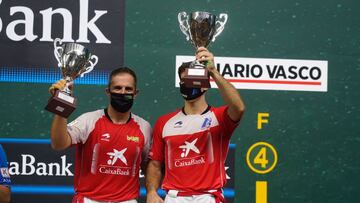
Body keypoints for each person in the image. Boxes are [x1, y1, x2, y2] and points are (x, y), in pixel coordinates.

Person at [146, 47, 245, 203]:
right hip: (174, 197)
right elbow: (155, 163)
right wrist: (151, 191)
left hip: (208, 197)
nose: (188, 84)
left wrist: (213, 71)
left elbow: (239, 107)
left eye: (193, 79)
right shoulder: (164, 122)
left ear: (205, 85)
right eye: (184, 81)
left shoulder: (219, 117)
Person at [49, 67, 152, 203]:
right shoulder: (89, 120)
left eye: (128, 89)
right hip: (89, 199)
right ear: (108, 92)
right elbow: (58, 144)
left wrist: (152, 191)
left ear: (135, 93)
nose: (123, 92)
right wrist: (61, 106)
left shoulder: (144, 127)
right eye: (117, 88)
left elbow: (149, 166)